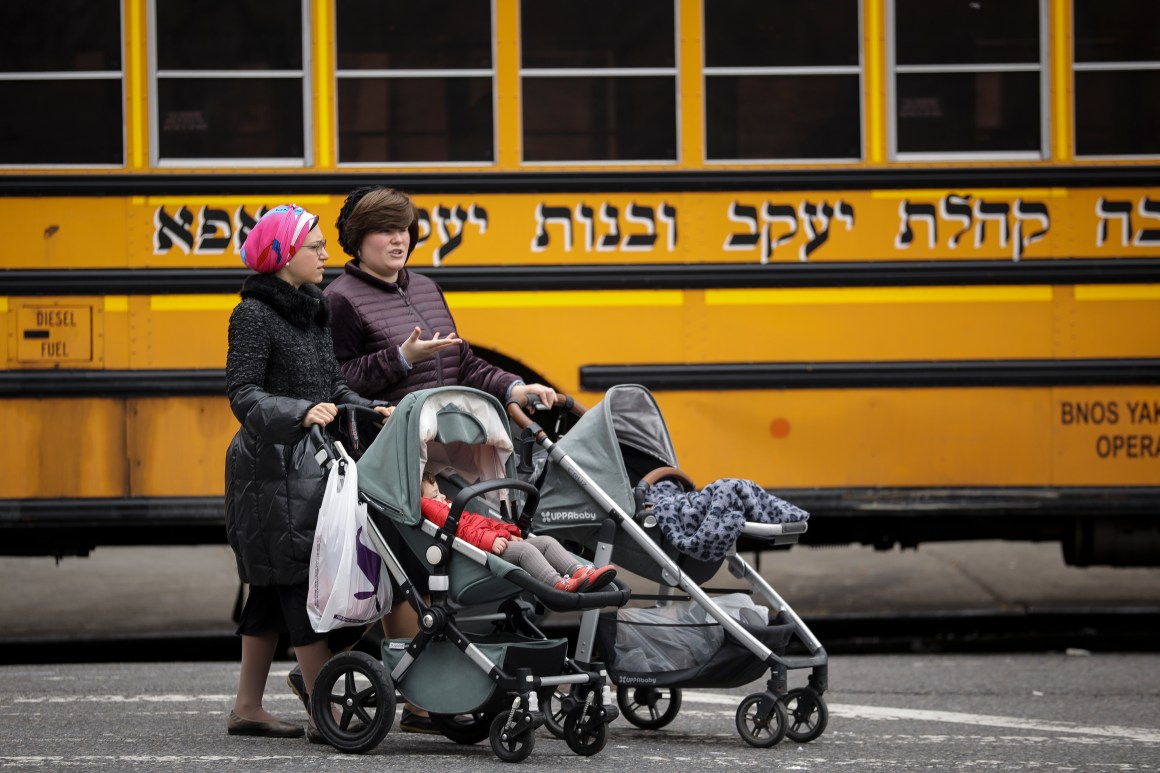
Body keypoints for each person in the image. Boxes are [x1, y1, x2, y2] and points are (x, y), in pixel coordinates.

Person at [319, 185, 562, 732]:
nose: (398, 239)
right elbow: (335, 382)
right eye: (385, 229)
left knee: (435, 571)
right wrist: (400, 357)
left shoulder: (425, 287)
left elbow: (465, 363)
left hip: (442, 460)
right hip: (385, 460)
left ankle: (417, 687)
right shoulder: (342, 299)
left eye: (404, 228)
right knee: (402, 573)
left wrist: (515, 388)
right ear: (358, 241)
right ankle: (395, 685)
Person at [224, 204, 392, 742]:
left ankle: (248, 707)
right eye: (314, 246)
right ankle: (329, 710)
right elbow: (244, 393)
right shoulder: (252, 313)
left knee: (273, 588)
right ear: (282, 255)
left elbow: (329, 385)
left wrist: (366, 407)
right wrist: (298, 412)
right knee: (301, 580)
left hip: (307, 463)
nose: (325, 254)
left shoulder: (312, 306)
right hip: (268, 468)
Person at [421, 468, 617, 592]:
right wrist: (491, 540)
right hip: (482, 554)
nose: (443, 495)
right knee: (527, 551)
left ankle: (580, 572)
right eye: (436, 494)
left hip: (494, 542)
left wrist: (509, 532)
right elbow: (463, 532)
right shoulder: (435, 511)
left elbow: (480, 522)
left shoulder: (446, 506)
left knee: (547, 541)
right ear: (424, 501)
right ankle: (558, 584)